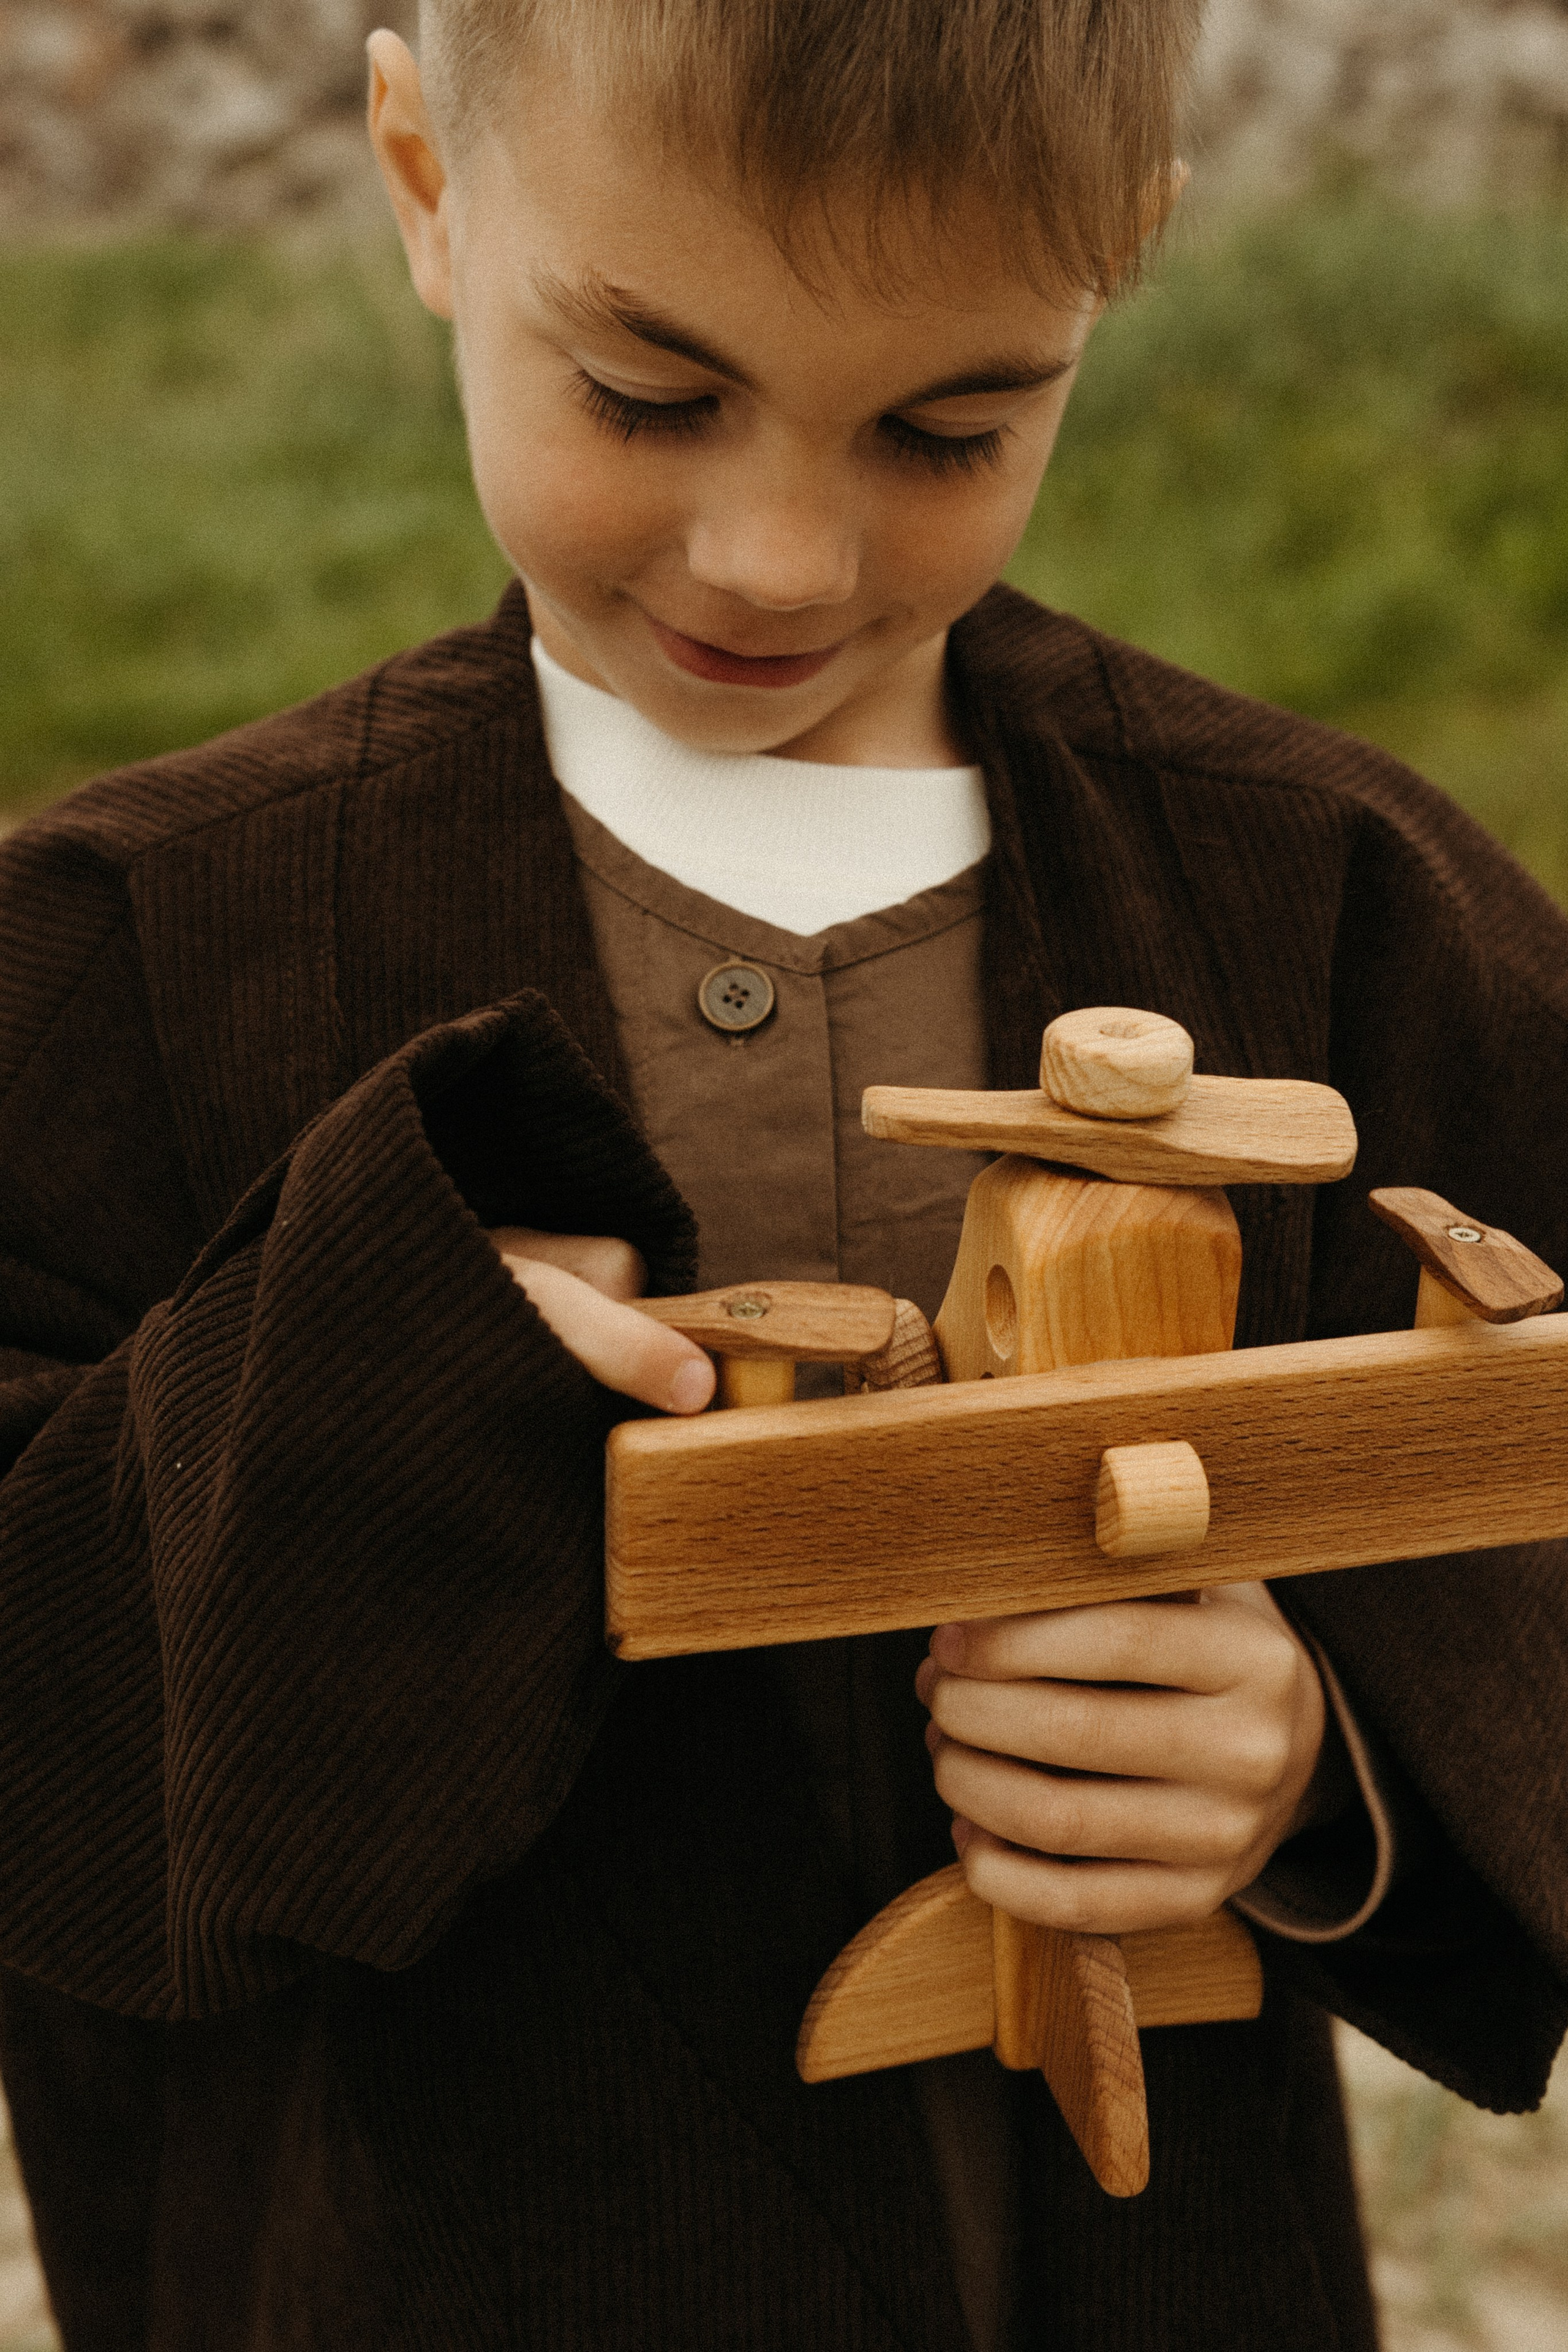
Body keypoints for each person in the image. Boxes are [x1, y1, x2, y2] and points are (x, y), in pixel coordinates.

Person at [0, 2, 1564, 2345]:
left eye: (950, 427)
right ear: (428, 178)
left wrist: (1310, 1766)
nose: (777, 553)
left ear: (1117, 266)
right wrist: (346, 1410)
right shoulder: (127, 946)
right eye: (649, 393)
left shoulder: (1329, 900)